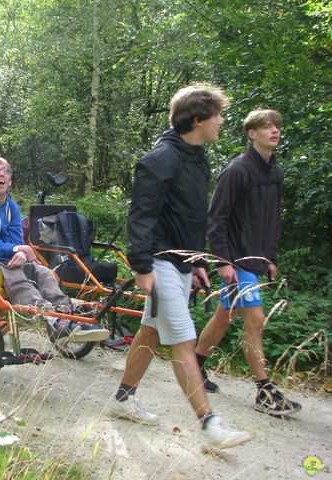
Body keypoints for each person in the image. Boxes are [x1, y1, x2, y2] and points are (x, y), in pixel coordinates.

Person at [107, 84, 252, 449]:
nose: (221, 121)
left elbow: (189, 216)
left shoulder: (195, 156)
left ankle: (122, 399)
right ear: (198, 118)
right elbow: (141, 215)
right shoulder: (161, 159)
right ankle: (210, 425)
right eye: (217, 115)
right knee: (183, 341)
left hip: (180, 262)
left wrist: (198, 259)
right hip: (158, 262)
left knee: (151, 334)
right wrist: (141, 266)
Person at [195, 109, 301, 416]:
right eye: (266, 126)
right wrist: (222, 262)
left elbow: (271, 220)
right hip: (236, 261)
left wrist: (271, 257)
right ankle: (264, 390)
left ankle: (196, 365)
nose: (274, 130)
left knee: (224, 316)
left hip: (256, 260)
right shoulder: (237, 171)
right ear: (251, 133)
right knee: (254, 320)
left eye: (277, 126)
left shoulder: (274, 173)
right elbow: (216, 218)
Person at [0, 156, 110, 342]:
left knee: (44, 272)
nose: (2, 174)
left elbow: (16, 239)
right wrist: (18, 250)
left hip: (7, 256)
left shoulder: (11, 206)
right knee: (15, 275)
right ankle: (52, 317)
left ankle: (67, 317)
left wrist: (20, 251)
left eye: (6, 171)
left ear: (10, 181)